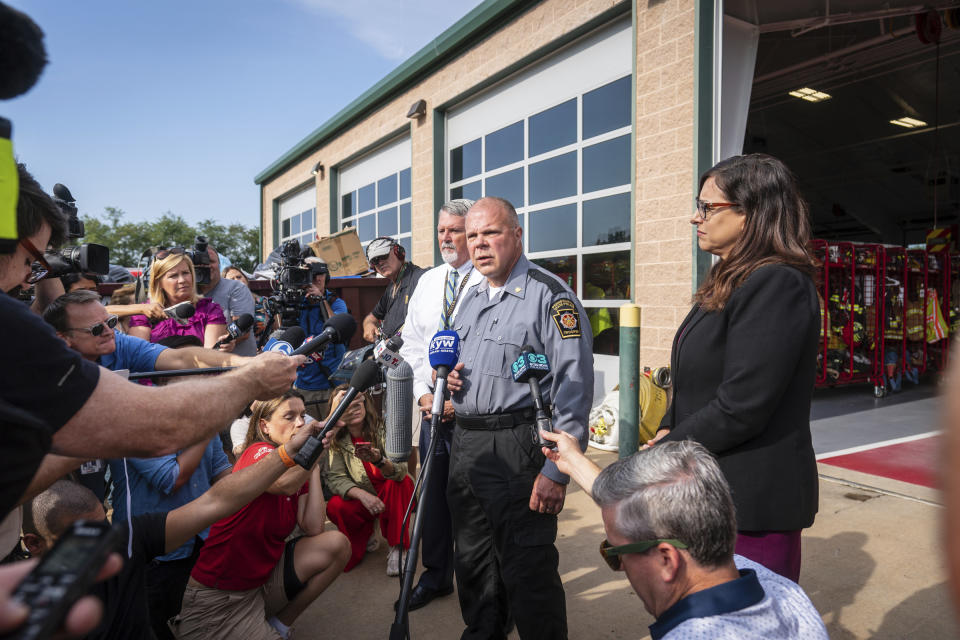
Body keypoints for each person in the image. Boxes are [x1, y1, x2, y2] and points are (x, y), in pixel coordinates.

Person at [1, 167, 304, 520]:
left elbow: (180, 357)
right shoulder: (17, 325)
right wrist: (252, 382)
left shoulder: (115, 345)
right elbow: (161, 431)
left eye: (111, 323)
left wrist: (244, 365)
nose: (29, 274)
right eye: (30, 261)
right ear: (63, 341)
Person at [646, 154, 820, 583]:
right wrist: (670, 425)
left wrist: (668, 449)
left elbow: (743, 403)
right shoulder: (731, 278)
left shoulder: (776, 282)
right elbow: (692, 379)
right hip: (713, 491)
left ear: (752, 213)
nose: (695, 217)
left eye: (708, 207)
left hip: (752, 502)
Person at [21, 412, 342, 640]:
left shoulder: (129, 540)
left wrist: (291, 453)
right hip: (211, 596)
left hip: (222, 579)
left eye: (102, 531)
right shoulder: (22, 612)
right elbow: (171, 477)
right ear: (33, 545)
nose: (102, 546)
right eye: (81, 541)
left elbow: (218, 497)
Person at [444, 196, 594, 639]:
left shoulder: (551, 296)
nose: (479, 244)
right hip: (466, 445)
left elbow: (573, 390)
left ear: (516, 235)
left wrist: (555, 471)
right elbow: (462, 356)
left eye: (490, 233)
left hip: (520, 447)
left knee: (527, 568)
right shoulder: (469, 296)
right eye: (471, 235)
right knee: (473, 563)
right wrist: (452, 378)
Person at [540, 431, 828, 639]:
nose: (622, 568)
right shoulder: (781, 590)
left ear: (667, 559)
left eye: (615, 555)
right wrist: (575, 461)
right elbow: (634, 510)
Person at [174, 391, 350, 640]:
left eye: (302, 415)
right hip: (219, 600)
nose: (300, 423)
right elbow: (284, 484)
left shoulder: (298, 469)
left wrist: (313, 461)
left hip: (259, 586)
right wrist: (315, 449)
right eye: (289, 416)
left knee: (336, 544)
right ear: (264, 426)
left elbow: (313, 527)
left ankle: (280, 625)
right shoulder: (258, 452)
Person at [397, 198, 483, 610]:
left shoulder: (489, 278)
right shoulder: (429, 281)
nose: (446, 237)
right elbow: (412, 344)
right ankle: (435, 575)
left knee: (473, 503)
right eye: (441, 229)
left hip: (476, 413)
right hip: (432, 409)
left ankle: (482, 588)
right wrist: (424, 393)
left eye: (455, 229)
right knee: (432, 497)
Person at [323, 385, 414, 575]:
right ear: (337, 411)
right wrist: (362, 495)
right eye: (346, 406)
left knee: (401, 482)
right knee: (335, 505)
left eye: (357, 404)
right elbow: (335, 478)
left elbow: (401, 470)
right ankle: (363, 536)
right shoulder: (335, 439)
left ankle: (398, 547)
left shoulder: (386, 428)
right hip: (363, 497)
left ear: (366, 404)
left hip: (391, 493)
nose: (353, 409)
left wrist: (379, 461)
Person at [128, 249, 229, 350]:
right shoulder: (144, 314)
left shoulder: (210, 311)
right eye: (173, 276)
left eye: (185, 273)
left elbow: (211, 357)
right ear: (158, 282)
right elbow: (139, 356)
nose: (182, 280)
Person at [294, 258, 348, 420]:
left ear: (327, 277)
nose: (317, 279)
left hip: (331, 384)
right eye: (312, 274)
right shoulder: (296, 304)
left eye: (321, 274)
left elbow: (339, 328)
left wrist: (321, 300)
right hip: (304, 385)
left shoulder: (335, 302)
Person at [361, 237, 424, 344]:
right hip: (389, 354)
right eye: (375, 261)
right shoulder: (391, 287)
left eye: (383, 256)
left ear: (398, 253)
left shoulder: (421, 278)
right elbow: (371, 317)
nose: (380, 263)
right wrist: (368, 325)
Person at [199, 246, 257, 356]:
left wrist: (228, 340)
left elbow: (244, 331)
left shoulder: (236, 288)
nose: (207, 265)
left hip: (237, 367)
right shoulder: (188, 291)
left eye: (211, 261)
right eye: (202, 262)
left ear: (219, 264)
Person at [223, 265, 267, 343]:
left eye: (239, 277)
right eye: (232, 279)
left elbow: (278, 330)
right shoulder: (223, 307)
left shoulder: (264, 301)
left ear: (246, 279)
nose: (237, 281)